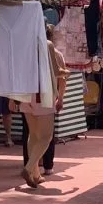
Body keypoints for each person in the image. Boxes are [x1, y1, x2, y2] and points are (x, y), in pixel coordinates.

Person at [19, 25, 67, 188]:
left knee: (33, 134)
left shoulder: (23, 46)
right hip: (43, 94)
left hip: (27, 93)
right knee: (46, 136)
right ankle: (29, 167)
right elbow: (57, 71)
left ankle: (35, 173)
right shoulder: (48, 45)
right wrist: (65, 72)